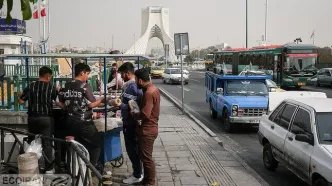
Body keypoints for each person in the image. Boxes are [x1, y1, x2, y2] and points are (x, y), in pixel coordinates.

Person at [57, 63, 110, 168]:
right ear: (82, 72)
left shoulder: (67, 85)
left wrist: (68, 108)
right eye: (87, 74)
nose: (87, 76)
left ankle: (77, 168)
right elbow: (91, 104)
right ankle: (92, 168)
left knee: (76, 145)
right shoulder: (84, 86)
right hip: (83, 123)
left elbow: (58, 102)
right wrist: (102, 99)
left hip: (69, 122)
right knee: (96, 144)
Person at [18, 66, 59, 173]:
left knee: (32, 142)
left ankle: (30, 167)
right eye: (50, 76)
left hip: (32, 118)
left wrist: (19, 96)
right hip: (46, 118)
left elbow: (21, 102)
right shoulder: (51, 87)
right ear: (47, 76)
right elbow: (58, 102)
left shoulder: (30, 86)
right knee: (47, 143)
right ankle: (49, 168)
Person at [114, 62, 143, 184]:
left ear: (127, 73)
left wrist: (121, 104)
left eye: (121, 74)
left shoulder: (132, 87)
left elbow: (134, 107)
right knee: (133, 148)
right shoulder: (131, 86)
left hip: (131, 124)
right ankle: (137, 172)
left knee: (132, 149)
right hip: (129, 122)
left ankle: (137, 175)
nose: (121, 76)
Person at [131, 68, 160, 186]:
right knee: (145, 157)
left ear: (141, 81)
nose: (135, 83)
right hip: (149, 129)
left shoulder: (149, 93)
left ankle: (150, 182)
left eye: (136, 80)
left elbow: (145, 114)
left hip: (147, 130)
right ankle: (146, 181)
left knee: (147, 159)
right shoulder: (153, 89)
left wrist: (134, 114)